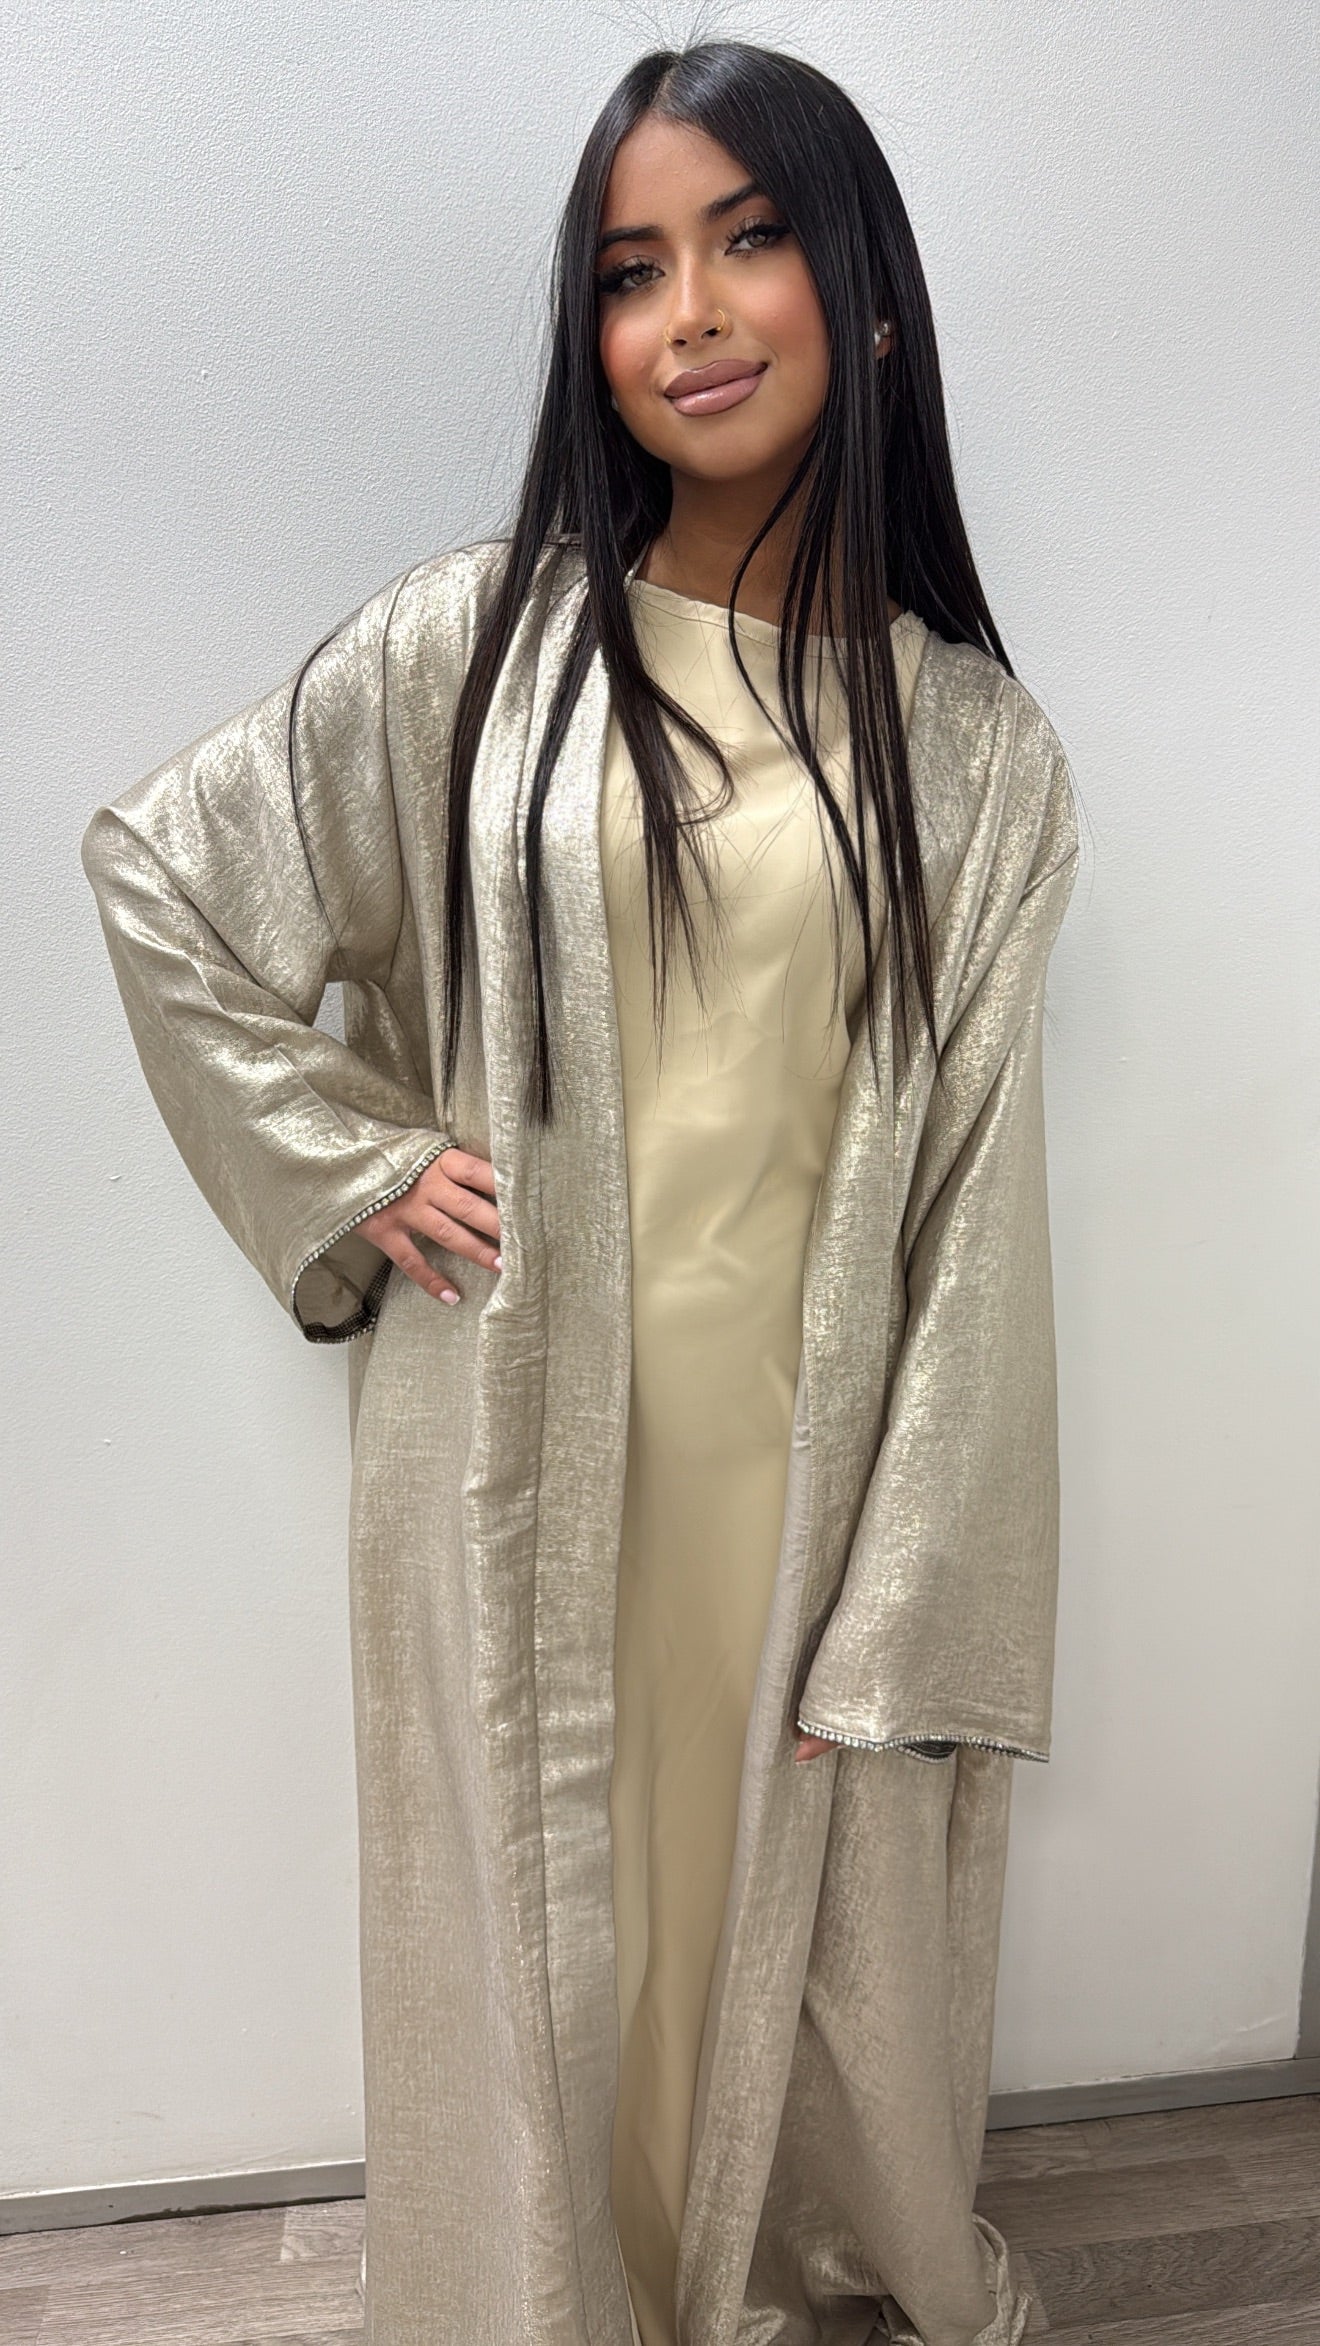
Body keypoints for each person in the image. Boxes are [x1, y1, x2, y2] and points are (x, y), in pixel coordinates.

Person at [80, 39, 1079, 2346]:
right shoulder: (482, 648)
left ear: (869, 296)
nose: (689, 313)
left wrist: (909, 1595)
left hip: (798, 1482)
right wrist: (353, 1158)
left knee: (767, 1935)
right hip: (510, 1461)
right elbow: (167, 879)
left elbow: (976, 1199)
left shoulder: (975, 753)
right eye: (633, 270)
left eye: (748, 239)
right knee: (538, 1935)